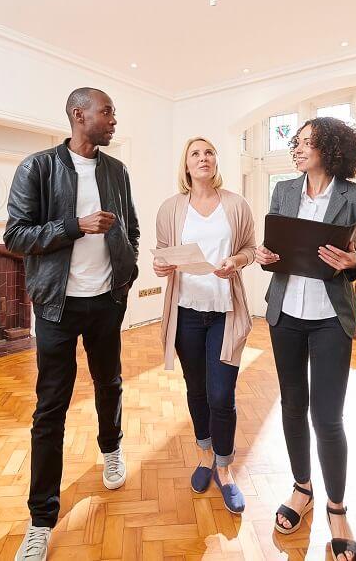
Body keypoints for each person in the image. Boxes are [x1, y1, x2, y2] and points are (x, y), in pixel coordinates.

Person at [3, 87, 140, 561]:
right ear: (79, 115)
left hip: (106, 301)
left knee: (110, 383)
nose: (114, 120)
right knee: (50, 409)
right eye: (108, 112)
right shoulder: (37, 168)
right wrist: (74, 226)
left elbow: (130, 228)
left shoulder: (116, 170)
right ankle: (41, 520)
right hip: (56, 308)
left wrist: (127, 271)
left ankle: (111, 449)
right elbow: (15, 236)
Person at [255, 117, 356, 561]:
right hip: (285, 315)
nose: (299, 149)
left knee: (328, 418)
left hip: (329, 319)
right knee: (291, 406)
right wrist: (265, 256)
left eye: (308, 142)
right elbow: (274, 249)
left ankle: (337, 508)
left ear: (331, 148)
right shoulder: (284, 191)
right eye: (297, 143)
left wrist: (353, 262)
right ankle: (302, 488)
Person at [153, 137, 256, 514]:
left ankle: (224, 469)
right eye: (195, 153)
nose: (203, 158)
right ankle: (204, 455)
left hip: (224, 312)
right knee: (196, 390)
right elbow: (163, 256)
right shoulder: (170, 208)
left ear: (216, 161)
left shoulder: (236, 205)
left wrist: (236, 261)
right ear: (186, 165)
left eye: (209, 152)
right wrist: (160, 266)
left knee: (221, 394)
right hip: (186, 313)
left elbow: (250, 249)